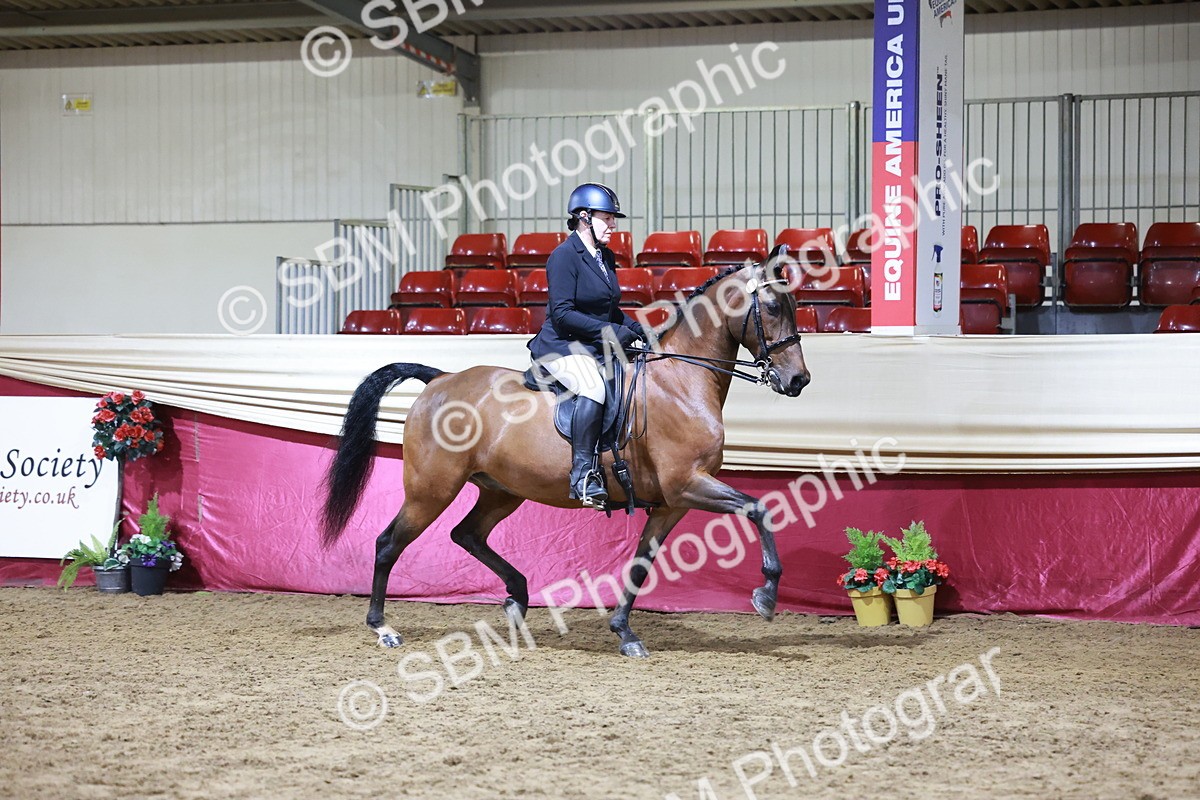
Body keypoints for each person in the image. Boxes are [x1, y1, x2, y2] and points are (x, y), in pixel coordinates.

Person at [527, 182, 645, 508]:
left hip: (591, 343)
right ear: (584, 217)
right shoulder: (564, 257)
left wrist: (638, 329)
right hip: (561, 345)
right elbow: (563, 315)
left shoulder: (604, 256)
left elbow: (609, 307)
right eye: (607, 218)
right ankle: (582, 474)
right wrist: (609, 332)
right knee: (593, 387)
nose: (614, 225)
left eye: (613, 219)